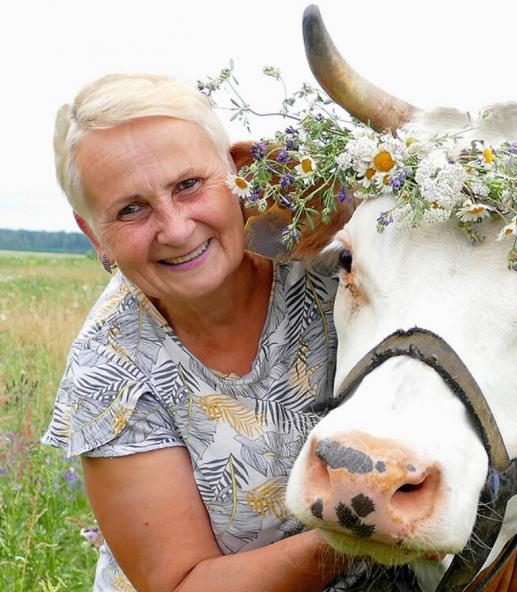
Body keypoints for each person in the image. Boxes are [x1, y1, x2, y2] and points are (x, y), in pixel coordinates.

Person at [41, 73, 365, 592]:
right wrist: (367, 521)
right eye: (131, 209)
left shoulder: (334, 261)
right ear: (93, 235)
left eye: (188, 185)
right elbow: (182, 584)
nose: (176, 228)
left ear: (237, 171)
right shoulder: (108, 370)